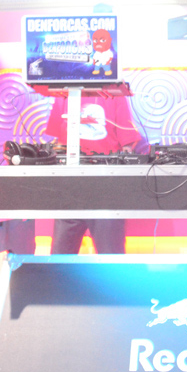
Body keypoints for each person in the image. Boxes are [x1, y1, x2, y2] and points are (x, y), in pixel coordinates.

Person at [45, 94, 140, 254]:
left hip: (105, 186)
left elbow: (127, 145)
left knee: (110, 256)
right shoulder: (64, 94)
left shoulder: (114, 93)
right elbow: (59, 140)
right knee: (60, 257)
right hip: (70, 185)